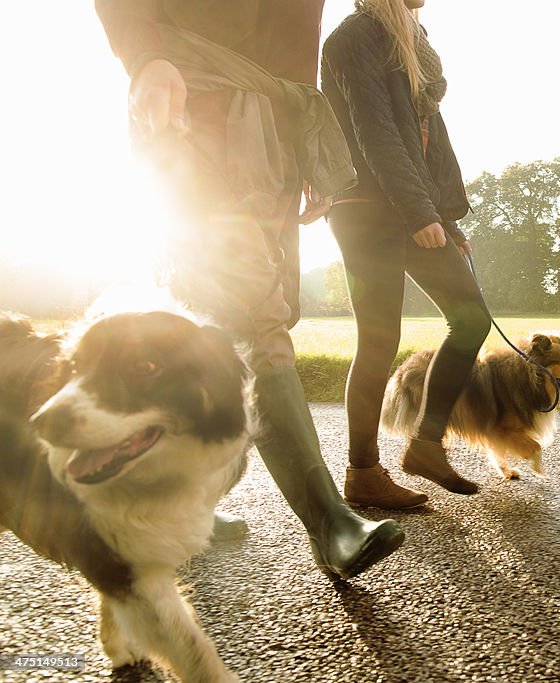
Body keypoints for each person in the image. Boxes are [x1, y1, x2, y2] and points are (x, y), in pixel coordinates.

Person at [94, 0, 405, 580]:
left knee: (224, 325)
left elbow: (297, 28)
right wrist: (145, 54)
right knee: (251, 315)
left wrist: (301, 137)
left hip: (274, 124)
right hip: (195, 99)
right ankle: (329, 522)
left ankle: (170, 505)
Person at [321, 0, 492, 508]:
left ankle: (425, 444)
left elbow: (425, 139)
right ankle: (363, 472)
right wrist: (420, 212)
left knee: (471, 318)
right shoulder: (355, 37)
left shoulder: (414, 42)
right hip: (365, 206)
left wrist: (446, 216)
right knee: (378, 339)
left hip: (411, 202)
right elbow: (376, 131)